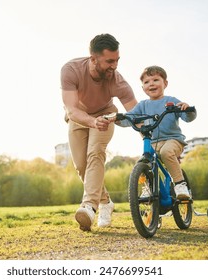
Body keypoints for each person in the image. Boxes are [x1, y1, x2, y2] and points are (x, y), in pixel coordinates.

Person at [60, 34, 137, 231]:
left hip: (105, 116)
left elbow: (136, 113)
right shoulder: (71, 70)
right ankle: (106, 202)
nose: (115, 66)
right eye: (109, 61)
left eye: (117, 60)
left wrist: (154, 137)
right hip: (79, 117)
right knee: (81, 166)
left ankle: (89, 207)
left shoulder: (117, 80)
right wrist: (90, 121)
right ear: (93, 59)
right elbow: (71, 109)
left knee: (95, 153)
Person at [117, 65, 196, 199]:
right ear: (143, 88)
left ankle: (180, 184)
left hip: (173, 140)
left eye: (155, 80)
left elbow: (187, 118)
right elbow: (130, 118)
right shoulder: (142, 105)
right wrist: (117, 119)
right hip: (153, 142)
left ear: (165, 83)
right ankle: (149, 188)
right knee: (143, 162)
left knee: (166, 152)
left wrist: (187, 109)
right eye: (146, 82)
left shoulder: (171, 101)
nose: (151, 84)